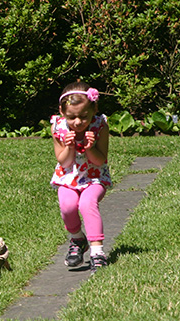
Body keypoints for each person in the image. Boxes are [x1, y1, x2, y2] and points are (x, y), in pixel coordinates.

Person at [50, 81, 111, 272]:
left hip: (94, 177)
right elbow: (64, 161)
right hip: (68, 178)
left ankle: (97, 252)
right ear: (62, 112)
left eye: (84, 116)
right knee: (68, 206)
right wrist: (69, 146)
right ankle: (78, 240)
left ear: (94, 108)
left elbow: (100, 160)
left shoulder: (100, 126)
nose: (78, 122)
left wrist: (90, 147)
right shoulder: (58, 127)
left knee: (87, 203)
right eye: (72, 117)